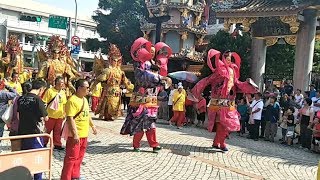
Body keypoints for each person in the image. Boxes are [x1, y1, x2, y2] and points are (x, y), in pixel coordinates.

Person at [61, 79, 97, 180]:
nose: (88, 90)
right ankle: (66, 177)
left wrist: (92, 126)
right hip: (75, 135)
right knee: (71, 158)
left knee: (79, 157)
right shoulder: (72, 100)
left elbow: (87, 114)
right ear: (80, 88)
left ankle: (75, 175)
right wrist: (75, 133)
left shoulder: (84, 100)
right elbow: (70, 118)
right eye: (87, 88)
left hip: (84, 134)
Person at [17, 79, 48, 180]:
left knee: (26, 159)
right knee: (37, 159)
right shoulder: (37, 99)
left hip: (22, 133)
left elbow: (18, 116)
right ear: (41, 89)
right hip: (35, 134)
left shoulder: (20, 99)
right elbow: (45, 118)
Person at [42, 76, 67, 150]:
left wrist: (64, 113)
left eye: (63, 83)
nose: (62, 85)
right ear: (56, 83)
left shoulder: (63, 92)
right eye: (60, 83)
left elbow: (64, 104)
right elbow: (44, 102)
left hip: (59, 116)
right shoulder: (50, 91)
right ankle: (43, 143)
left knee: (57, 131)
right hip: (50, 115)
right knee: (47, 130)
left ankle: (57, 144)